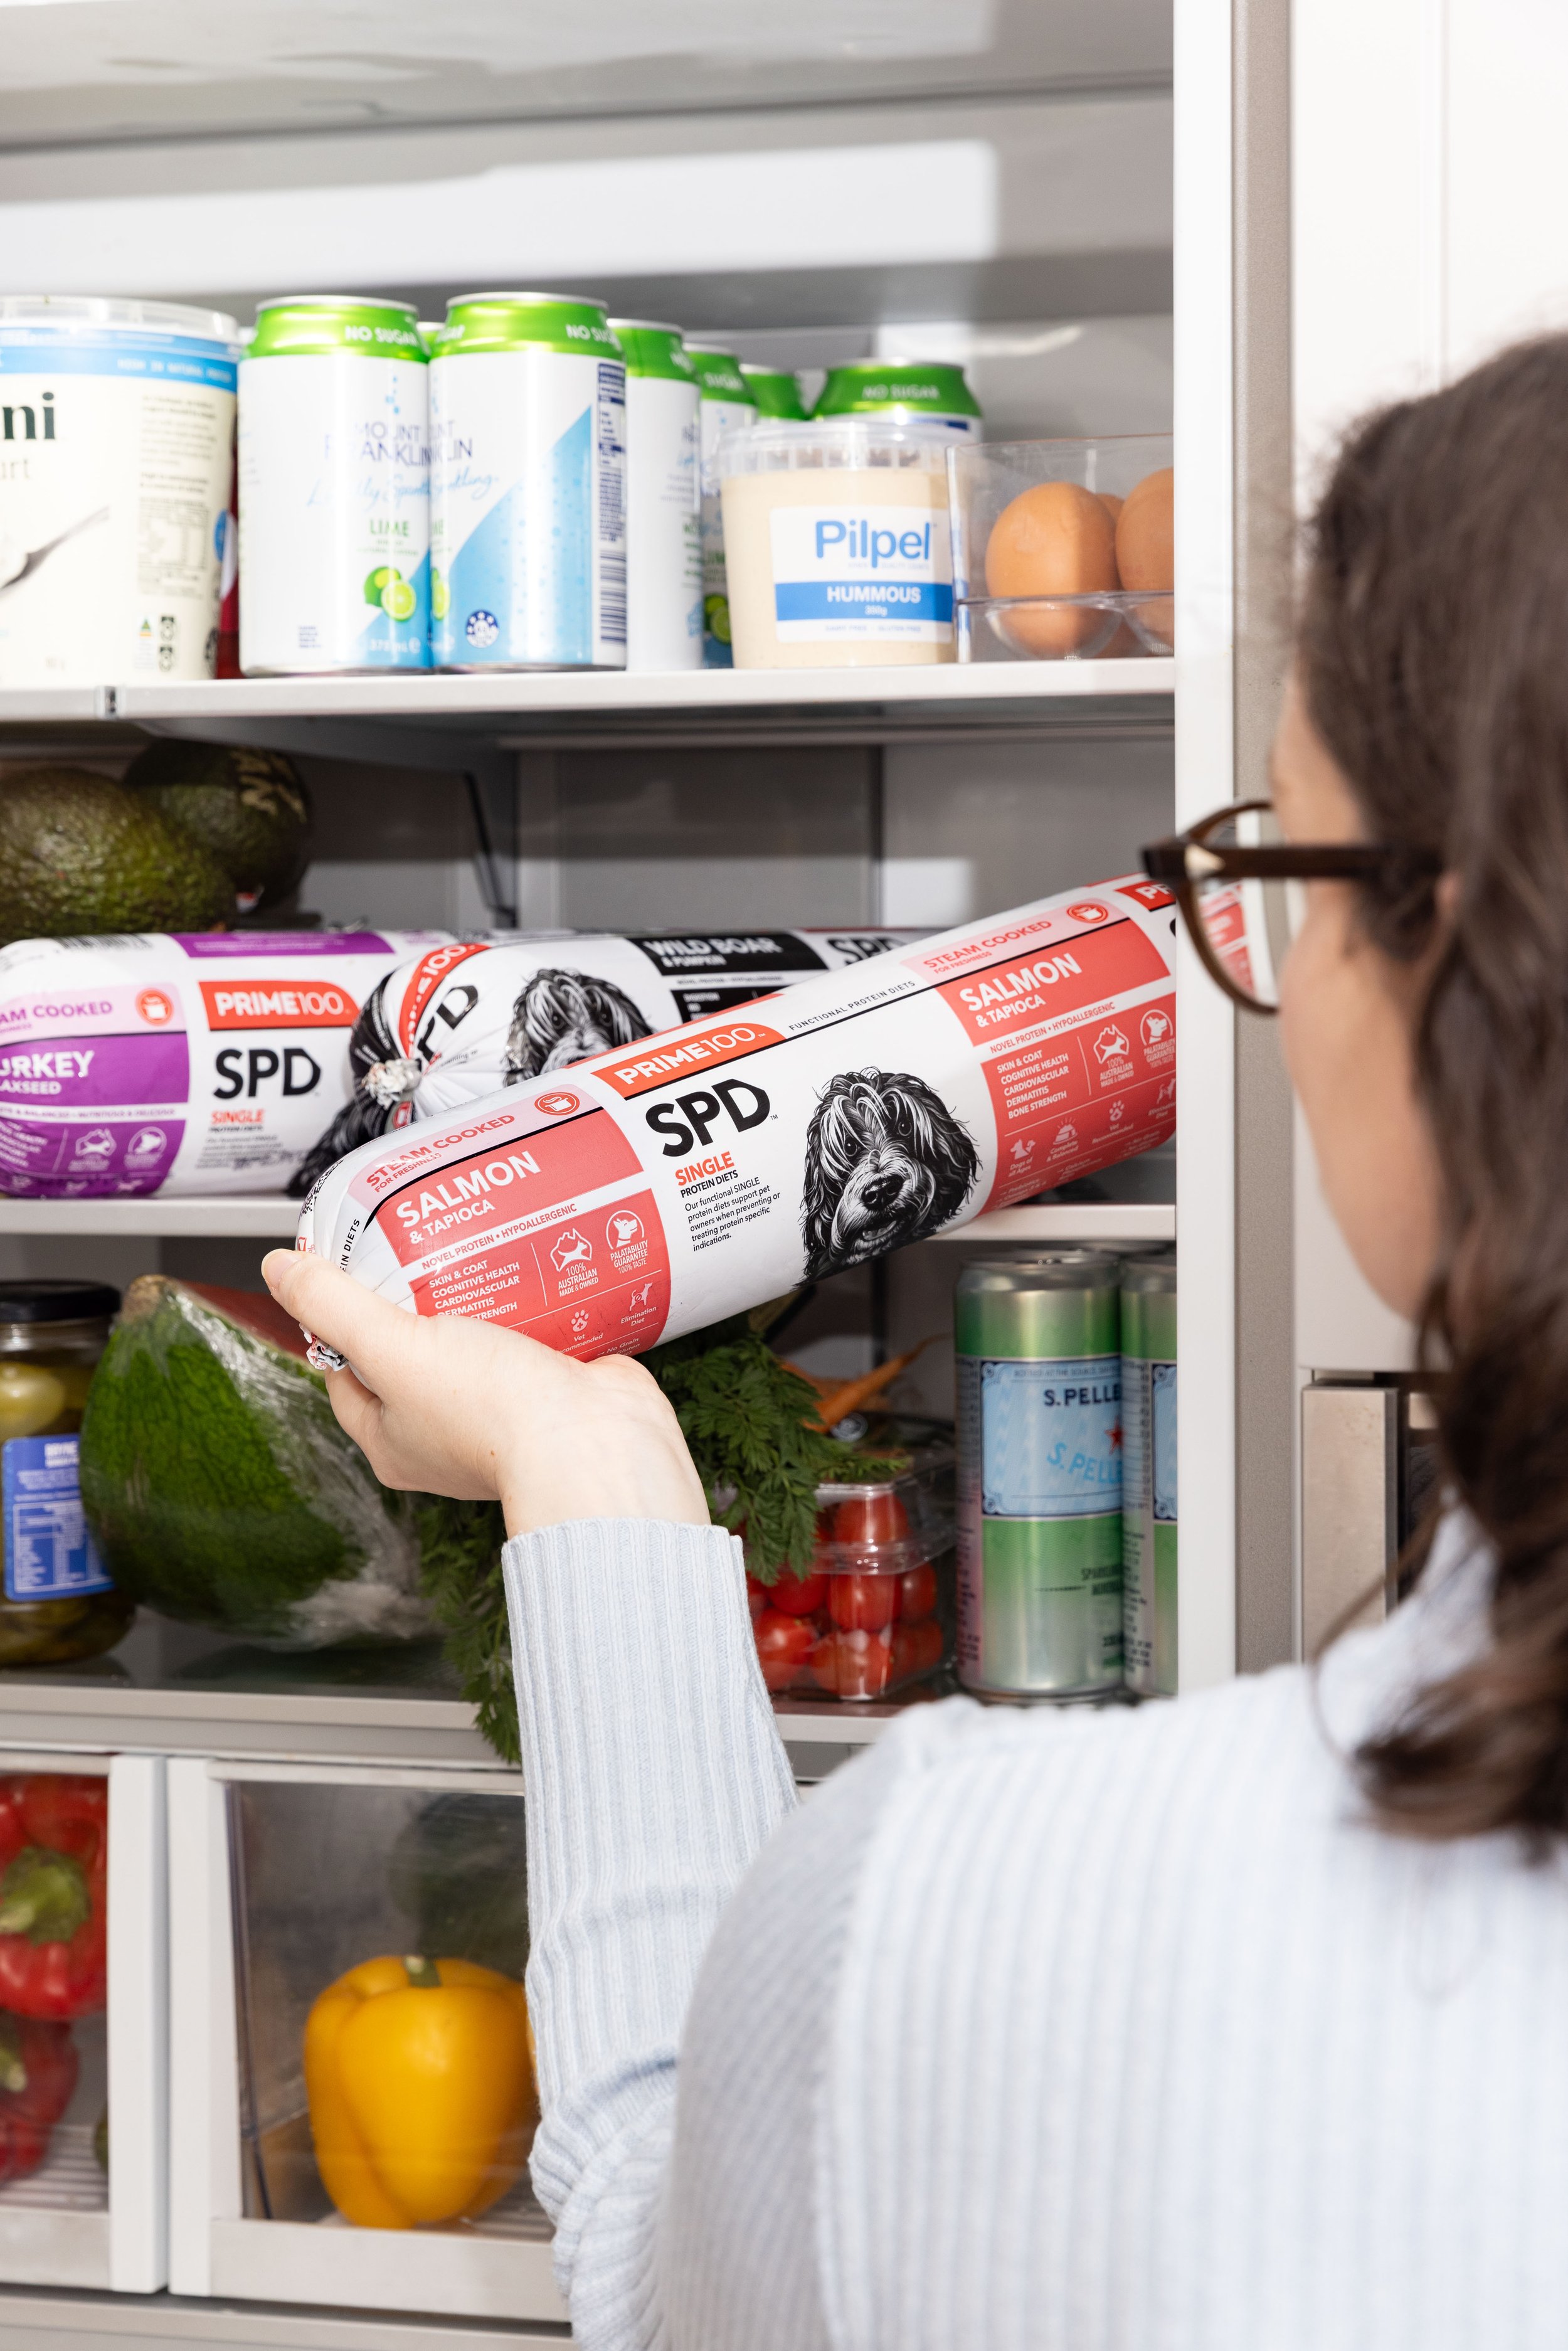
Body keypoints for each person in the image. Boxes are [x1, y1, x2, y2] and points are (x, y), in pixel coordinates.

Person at [263, 337, 1568, 2351]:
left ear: (1461, 955)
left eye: (1285, 879)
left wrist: (591, 1482)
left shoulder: (1003, 1905)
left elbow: (656, 2237)